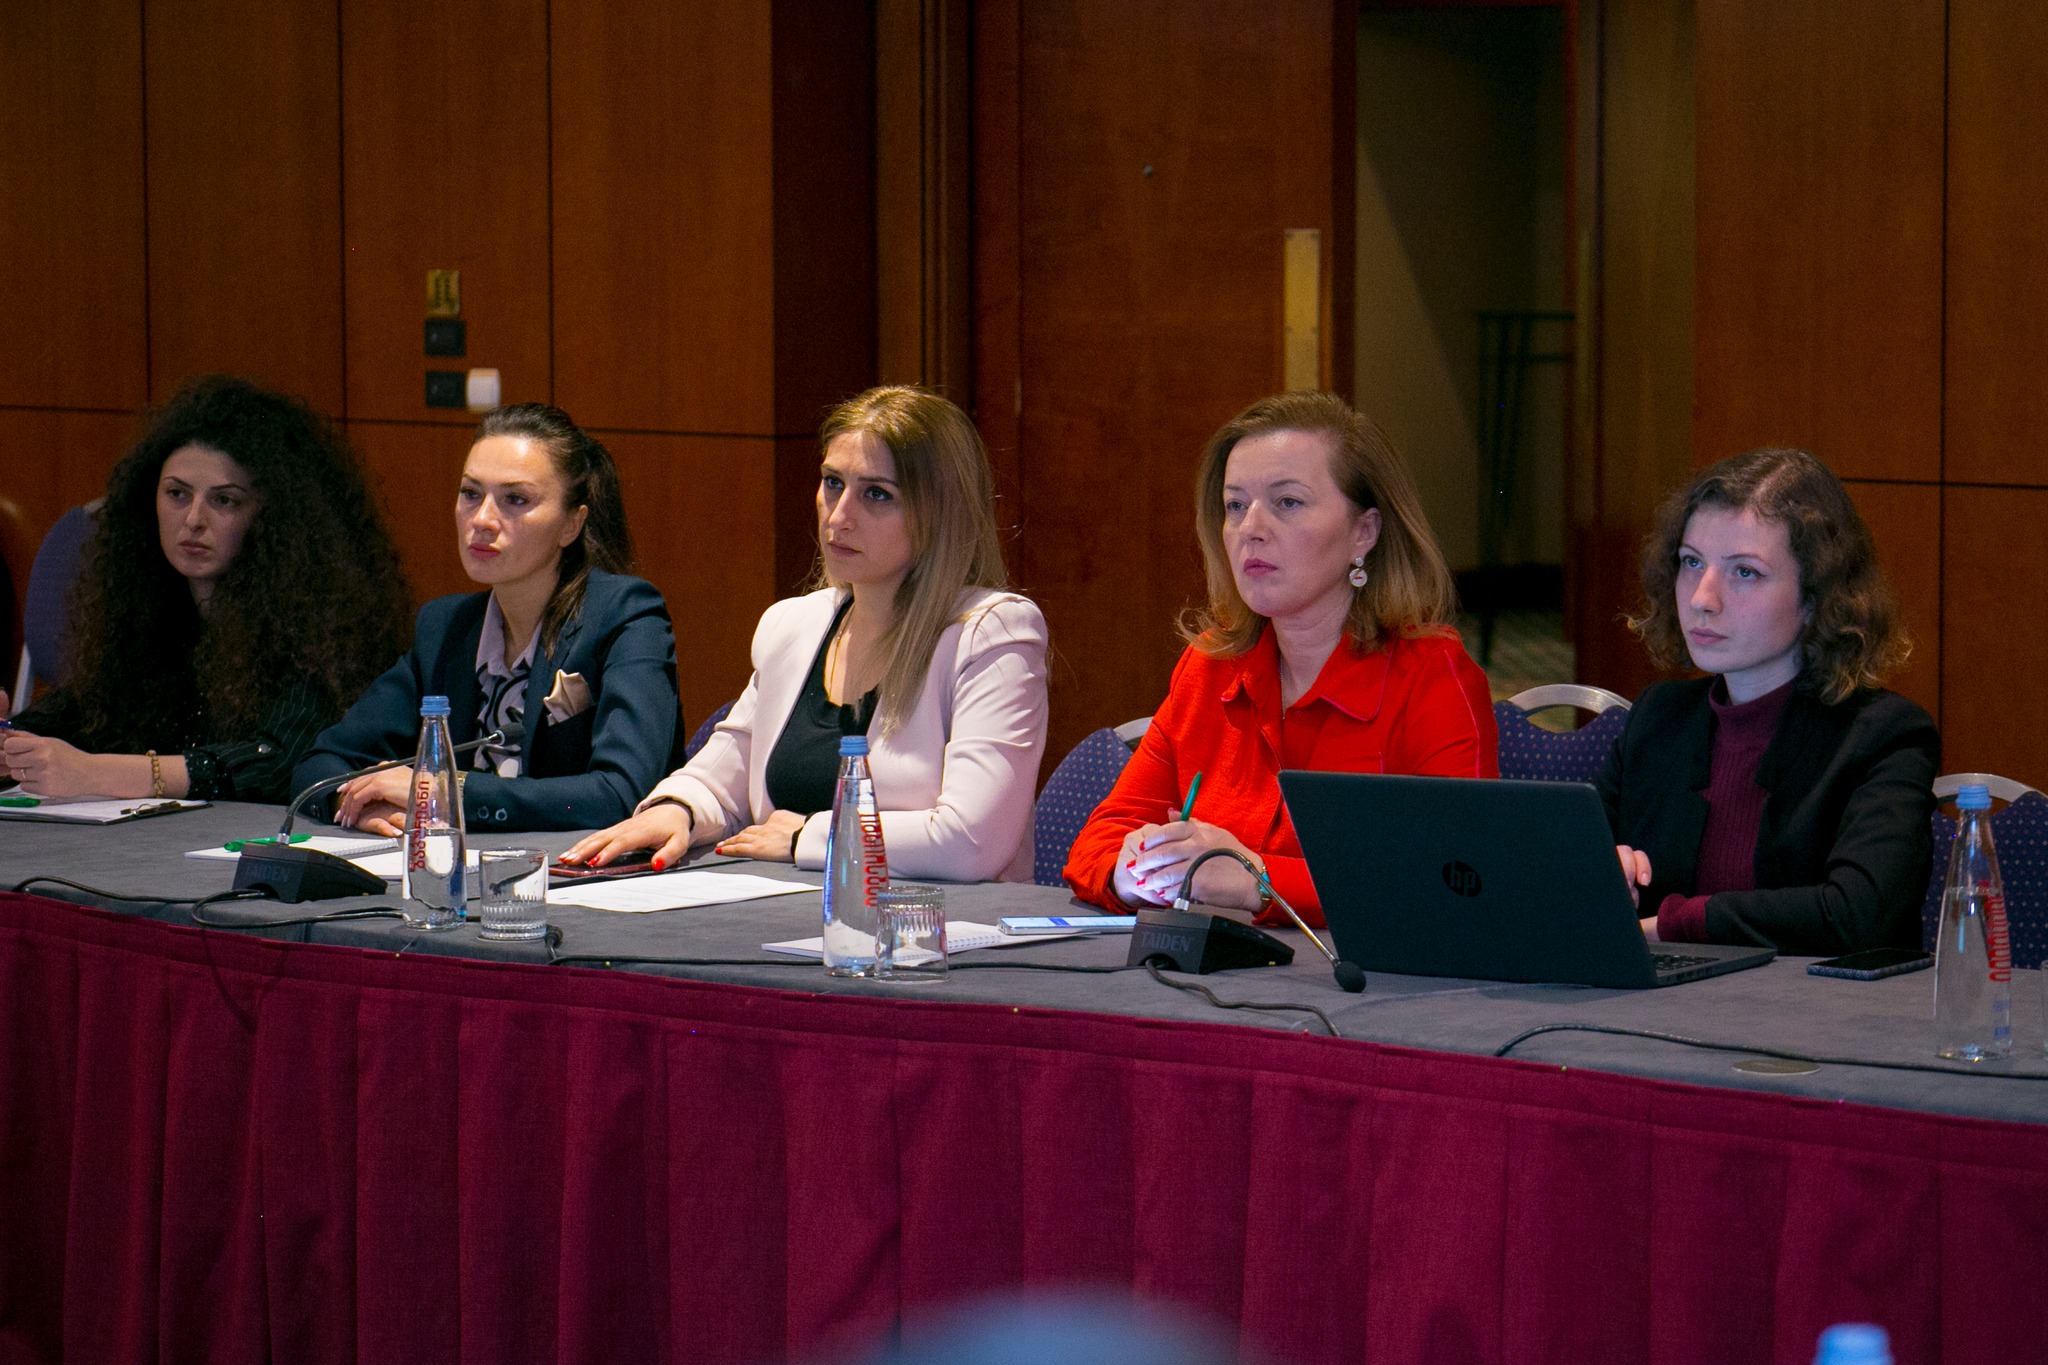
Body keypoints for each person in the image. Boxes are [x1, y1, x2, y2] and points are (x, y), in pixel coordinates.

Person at [564, 385, 1049, 882]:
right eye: (833, 483)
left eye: (876, 494)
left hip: (933, 921)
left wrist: (807, 837)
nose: (838, 517)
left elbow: (972, 842)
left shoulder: (991, 634)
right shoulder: (795, 624)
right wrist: (677, 809)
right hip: (784, 912)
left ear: (940, 513)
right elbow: (725, 770)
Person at [1063, 391, 1497, 927]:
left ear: (1364, 532)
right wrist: (1137, 872)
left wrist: (1256, 880)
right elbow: (1100, 841)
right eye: (1235, 506)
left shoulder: (1433, 677)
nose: (1251, 528)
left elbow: (1458, 880)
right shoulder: (1208, 668)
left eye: (1287, 502)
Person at [0, 376, 410, 803]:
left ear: (274, 517)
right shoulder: (148, 609)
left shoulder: (318, 621)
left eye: (224, 501)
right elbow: (82, 713)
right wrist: (13, 741)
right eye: (177, 494)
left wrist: (105, 773)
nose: (194, 519)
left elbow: (283, 762)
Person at [1599, 447, 1939, 955]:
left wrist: (1676, 923)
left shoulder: (1883, 736)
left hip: (1813, 1005)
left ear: (1816, 599)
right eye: (1692, 562)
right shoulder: (1658, 716)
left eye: (1745, 572)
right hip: (1657, 1000)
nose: (1701, 598)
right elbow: (1560, 876)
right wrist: (1600, 878)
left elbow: (1857, 916)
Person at [292, 404, 684, 833]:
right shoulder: (445, 626)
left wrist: (447, 791)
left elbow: (621, 792)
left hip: (576, 868)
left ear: (571, 525)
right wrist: (354, 803)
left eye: (515, 499)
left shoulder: (625, 615)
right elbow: (319, 765)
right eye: (470, 493)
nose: (481, 520)